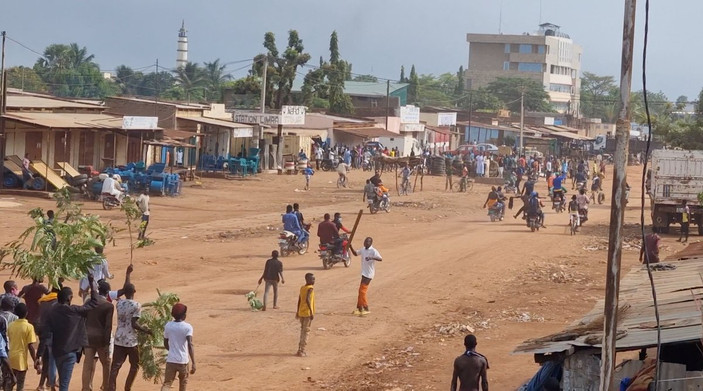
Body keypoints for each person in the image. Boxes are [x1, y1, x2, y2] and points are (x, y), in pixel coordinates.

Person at [43, 276, 99, 391]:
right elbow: (94, 303)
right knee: (64, 384)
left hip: (57, 351)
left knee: (63, 382)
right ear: (69, 298)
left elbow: (46, 331)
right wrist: (92, 283)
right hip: (70, 352)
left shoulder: (52, 312)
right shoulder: (74, 311)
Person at [107, 283, 151, 391]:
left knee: (115, 367)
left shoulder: (119, 304)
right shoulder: (137, 305)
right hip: (131, 341)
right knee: (134, 365)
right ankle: (127, 388)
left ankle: (111, 388)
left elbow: (124, 287)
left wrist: (128, 274)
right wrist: (146, 330)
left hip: (119, 338)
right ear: (134, 292)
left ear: (124, 292)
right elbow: (134, 324)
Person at [81, 280, 115, 391]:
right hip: (100, 338)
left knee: (88, 364)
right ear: (107, 292)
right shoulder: (108, 306)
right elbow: (108, 326)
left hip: (88, 337)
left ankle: (86, 388)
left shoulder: (88, 301)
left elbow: (83, 319)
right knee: (106, 363)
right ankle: (106, 387)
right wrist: (107, 344)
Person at [161, 303, 195, 391]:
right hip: (183, 361)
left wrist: (172, 350)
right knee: (183, 384)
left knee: (167, 383)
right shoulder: (187, 327)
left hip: (171, 360)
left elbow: (165, 342)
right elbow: (190, 344)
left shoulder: (168, 326)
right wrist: (194, 363)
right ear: (184, 315)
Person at [8, 303, 40, 391]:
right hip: (21, 360)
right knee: (20, 384)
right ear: (26, 313)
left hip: (10, 358)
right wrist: (35, 360)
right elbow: (30, 346)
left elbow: (9, 340)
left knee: (9, 383)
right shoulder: (29, 327)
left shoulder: (10, 325)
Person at [350, 237, 382, 316]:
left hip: (369, 274)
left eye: (368, 242)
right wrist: (350, 246)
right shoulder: (363, 249)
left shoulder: (373, 251)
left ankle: (366, 307)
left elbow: (380, 258)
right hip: (364, 273)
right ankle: (360, 308)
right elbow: (355, 253)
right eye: (365, 242)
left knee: (362, 291)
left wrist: (371, 257)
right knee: (360, 291)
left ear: (371, 243)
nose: (366, 243)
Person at [295, 273, 315, 357]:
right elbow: (307, 299)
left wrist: (297, 311)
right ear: (308, 280)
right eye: (312, 279)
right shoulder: (310, 288)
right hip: (307, 313)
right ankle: (302, 350)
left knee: (302, 330)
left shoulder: (302, 288)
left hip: (301, 312)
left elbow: (299, 300)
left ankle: (300, 349)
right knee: (306, 331)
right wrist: (311, 312)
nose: (314, 281)